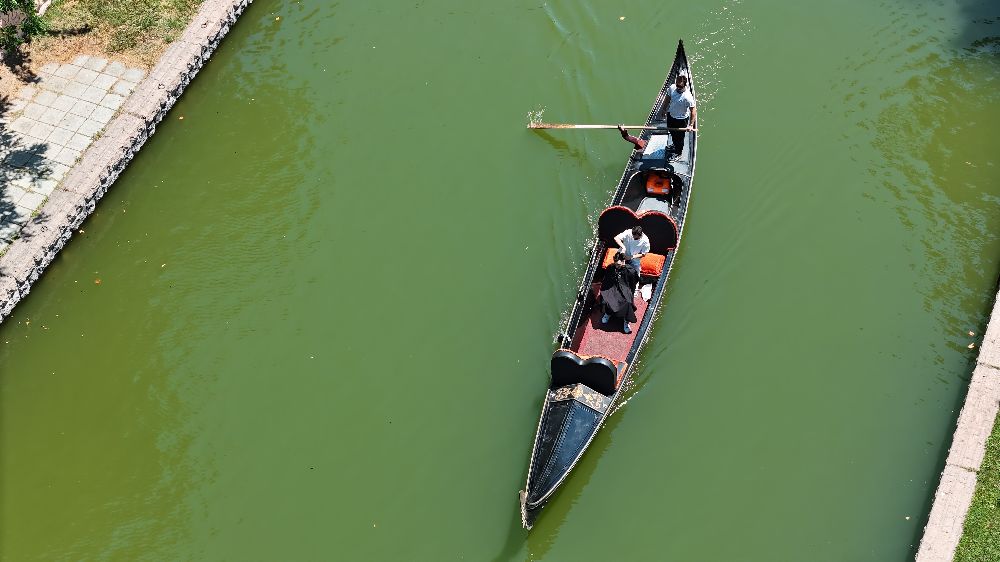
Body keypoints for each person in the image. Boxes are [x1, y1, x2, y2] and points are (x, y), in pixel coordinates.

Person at [600, 250, 640, 333]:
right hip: (612, 287)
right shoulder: (611, 267)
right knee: (606, 297)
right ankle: (608, 313)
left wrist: (628, 292)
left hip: (625, 289)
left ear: (623, 261)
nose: (616, 266)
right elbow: (607, 280)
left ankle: (626, 320)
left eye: (618, 264)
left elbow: (633, 283)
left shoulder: (630, 271)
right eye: (615, 264)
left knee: (627, 302)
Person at [665, 74, 696, 158]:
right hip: (671, 115)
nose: (678, 88)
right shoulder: (672, 88)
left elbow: (693, 111)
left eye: (680, 86)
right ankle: (674, 145)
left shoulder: (687, 97)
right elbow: (667, 99)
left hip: (681, 120)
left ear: (684, 85)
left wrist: (690, 125)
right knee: (671, 132)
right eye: (677, 85)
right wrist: (664, 110)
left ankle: (678, 153)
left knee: (679, 138)